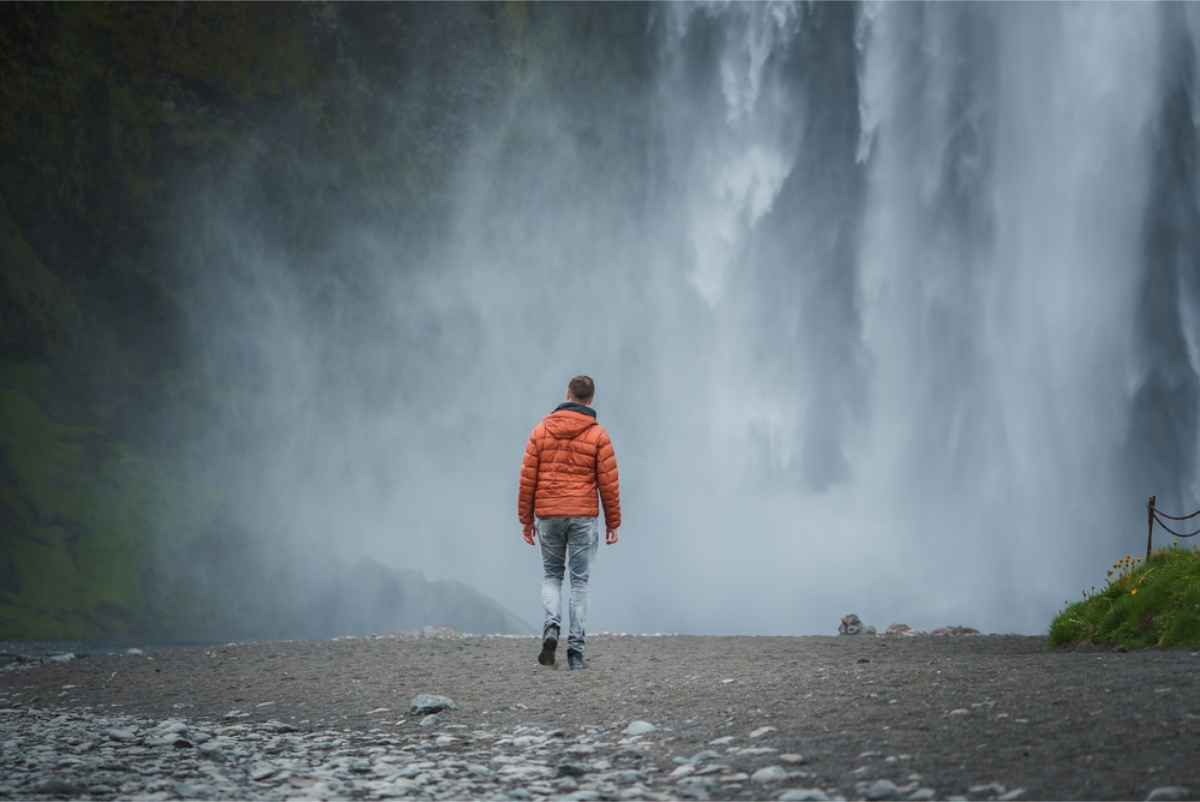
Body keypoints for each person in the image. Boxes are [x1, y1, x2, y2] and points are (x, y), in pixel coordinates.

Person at [517, 375, 621, 671]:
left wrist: (526, 520)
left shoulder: (540, 431)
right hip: (583, 516)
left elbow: (527, 481)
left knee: (552, 576)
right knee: (580, 583)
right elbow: (609, 484)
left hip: (548, 515)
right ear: (590, 400)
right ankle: (575, 651)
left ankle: (551, 626)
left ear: (567, 394)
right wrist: (613, 523)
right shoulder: (599, 435)